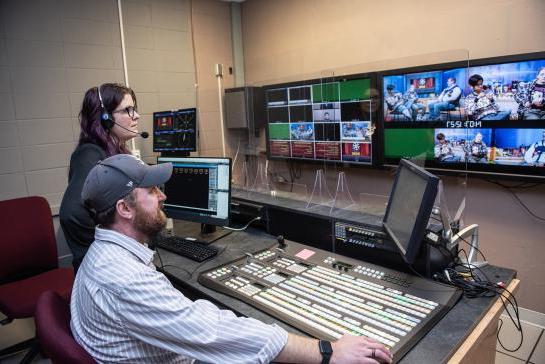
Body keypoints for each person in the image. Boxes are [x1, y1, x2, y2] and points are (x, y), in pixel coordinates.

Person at [71, 154, 393, 364]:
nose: (164, 196)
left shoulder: (102, 255)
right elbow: (210, 331)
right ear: (124, 209)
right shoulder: (123, 279)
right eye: (153, 191)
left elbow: (191, 320)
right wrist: (327, 350)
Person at [59, 83, 141, 273]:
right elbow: (71, 214)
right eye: (128, 110)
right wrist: (104, 251)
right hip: (101, 270)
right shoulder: (89, 154)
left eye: (134, 109)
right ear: (105, 119)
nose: (136, 115)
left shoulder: (112, 152)